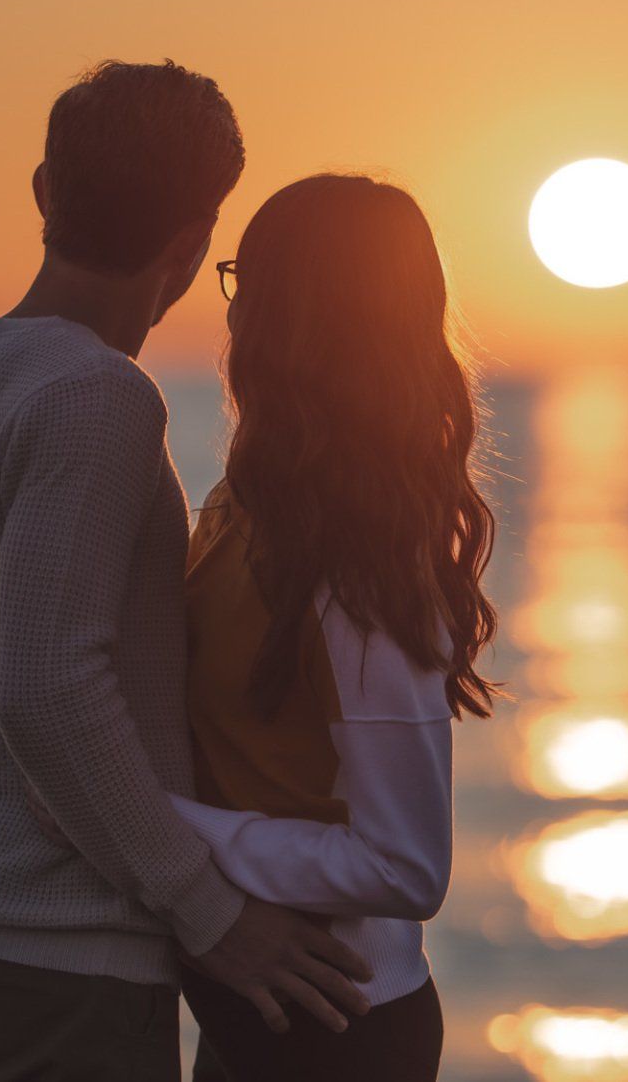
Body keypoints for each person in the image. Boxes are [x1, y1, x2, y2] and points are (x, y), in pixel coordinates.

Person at [0, 61, 371, 1082]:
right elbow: (44, 689)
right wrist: (213, 910)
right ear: (191, 246)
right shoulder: (100, 398)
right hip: (66, 958)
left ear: (45, 192)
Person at [170, 175, 502, 1081]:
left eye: (248, 280)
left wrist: (169, 827)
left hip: (340, 1027)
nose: (230, 314)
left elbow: (404, 867)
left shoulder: (359, 568)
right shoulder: (249, 505)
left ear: (296, 316)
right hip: (260, 1005)